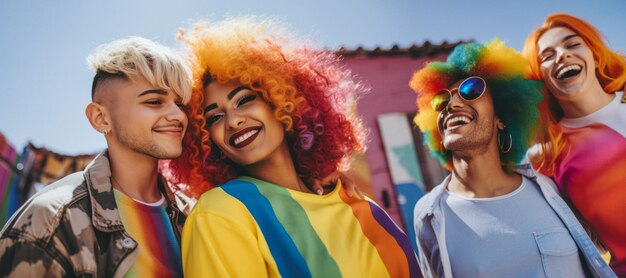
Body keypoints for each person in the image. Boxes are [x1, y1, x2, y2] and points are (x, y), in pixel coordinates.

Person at [163, 17, 421, 277]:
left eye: (244, 100)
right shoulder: (220, 214)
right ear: (206, 140)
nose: (233, 120)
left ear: (283, 102)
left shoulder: (360, 205)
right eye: (214, 117)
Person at [410, 39, 614, 277]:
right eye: (441, 101)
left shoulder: (548, 186)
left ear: (502, 118)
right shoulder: (428, 215)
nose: (452, 104)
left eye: (471, 90)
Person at [0, 37, 191, 277]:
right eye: (154, 101)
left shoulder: (193, 212)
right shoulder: (50, 219)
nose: (177, 115)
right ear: (101, 118)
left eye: (181, 103)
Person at [522, 13, 626, 275]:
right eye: (547, 56)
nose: (562, 55)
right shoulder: (545, 156)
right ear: (539, 78)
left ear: (593, 53)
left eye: (572, 44)